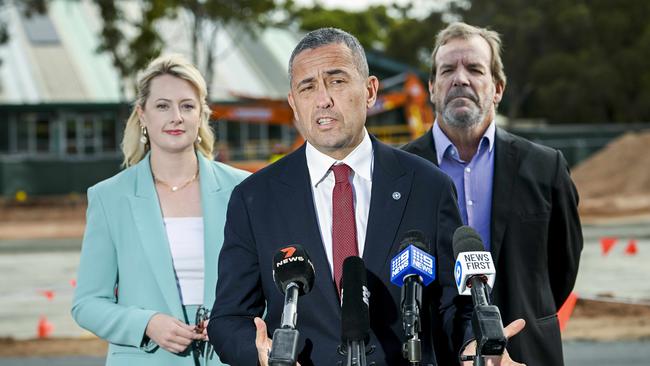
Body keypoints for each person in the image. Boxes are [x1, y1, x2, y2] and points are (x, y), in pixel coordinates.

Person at [208, 28, 523, 366]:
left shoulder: (429, 186)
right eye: (308, 87)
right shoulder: (254, 198)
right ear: (293, 104)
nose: (323, 99)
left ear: (370, 90)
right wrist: (261, 354)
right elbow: (229, 319)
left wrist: (475, 346)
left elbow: (453, 304)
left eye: (337, 81)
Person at [403, 22, 583, 366]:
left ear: (497, 88)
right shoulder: (398, 171)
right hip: (432, 353)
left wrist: (526, 310)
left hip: (526, 349)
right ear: (432, 87)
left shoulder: (546, 167)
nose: (460, 78)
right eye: (447, 70)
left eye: (474, 68)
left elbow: (563, 267)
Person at [71, 54, 249, 366]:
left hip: (228, 358)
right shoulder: (109, 197)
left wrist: (235, 322)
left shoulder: (244, 190)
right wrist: (147, 323)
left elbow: (269, 289)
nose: (176, 116)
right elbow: (87, 303)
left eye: (187, 105)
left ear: (201, 114)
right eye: (163, 105)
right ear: (143, 114)